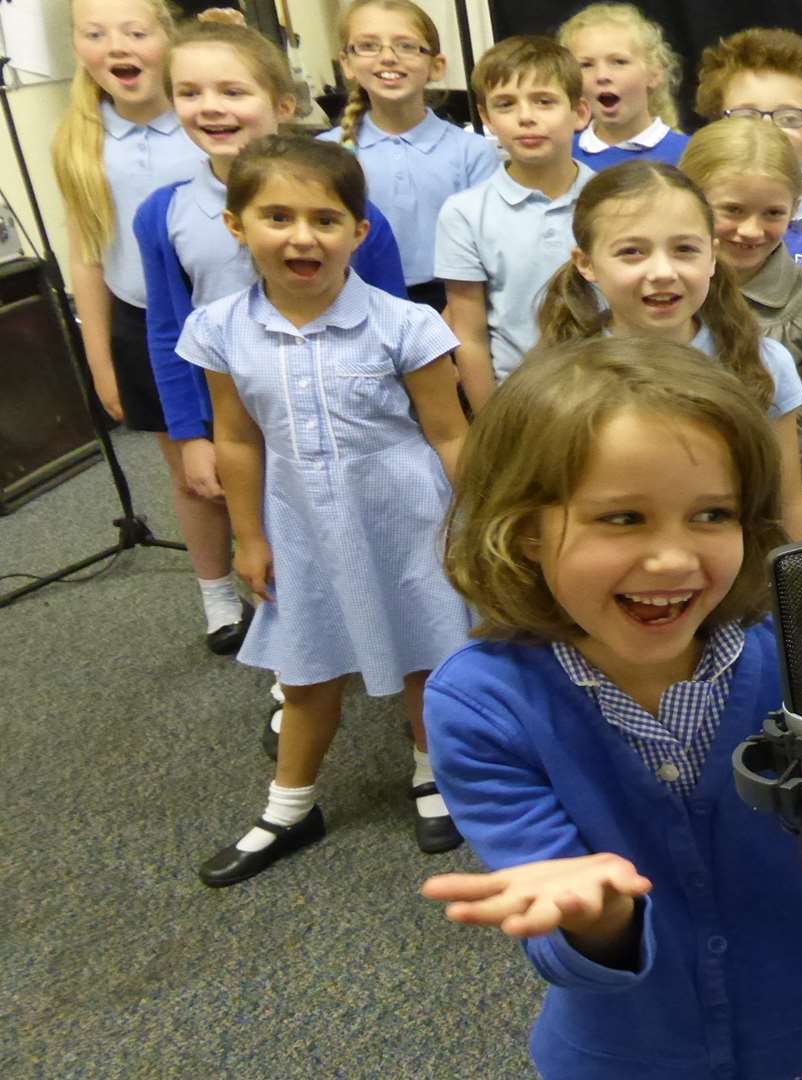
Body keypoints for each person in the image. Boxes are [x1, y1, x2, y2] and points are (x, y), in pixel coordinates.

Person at [420, 337, 802, 1080]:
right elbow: (552, 915)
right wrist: (599, 919)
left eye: (712, 515)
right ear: (524, 531)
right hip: (626, 1057)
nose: (675, 559)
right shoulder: (483, 703)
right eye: (623, 519)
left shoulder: (801, 657)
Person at [185, 137, 470, 886]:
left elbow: (449, 433)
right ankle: (290, 805)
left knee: (426, 653)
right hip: (301, 521)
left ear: (359, 232)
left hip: (409, 518)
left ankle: (430, 773)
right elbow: (238, 439)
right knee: (304, 665)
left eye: (325, 218)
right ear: (237, 226)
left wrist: (474, 527)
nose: (302, 236)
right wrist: (248, 535)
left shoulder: (406, 324)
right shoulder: (219, 329)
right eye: (277, 216)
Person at [132, 18, 406, 648]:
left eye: (232, 91)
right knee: (270, 529)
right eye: (191, 92)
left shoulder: (351, 207)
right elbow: (168, 331)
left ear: (282, 104)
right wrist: (189, 434)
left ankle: (382, 624)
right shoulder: (164, 213)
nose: (211, 107)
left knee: (348, 516)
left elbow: (394, 318)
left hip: (341, 399)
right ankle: (299, 652)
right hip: (238, 409)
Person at [54, 0, 234, 651]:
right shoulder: (83, 138)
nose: (115, 46)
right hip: (148, 327)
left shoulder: (206, 117)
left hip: (232, 312)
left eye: (135, 31)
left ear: (168, 37)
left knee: (264, 461)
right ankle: (218, 594)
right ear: (76, 47)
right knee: (192, 472)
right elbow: (87, 255)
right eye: (95, 34)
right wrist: (99, 358)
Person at [535, 161, 802, 540]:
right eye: (632, 251)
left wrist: (794, 594)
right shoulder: (557, 375)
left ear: (712, 256)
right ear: (586, 263)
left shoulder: (763, 364)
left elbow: (787, 501)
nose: (663, 271)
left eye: (685, 249)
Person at [681, 117, 802, 534]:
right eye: (732, 211)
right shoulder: (661, 297)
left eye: (773, 213)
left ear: (796, 207)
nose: (750, 230)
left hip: (788, 506)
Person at [435, 36, 592, 411]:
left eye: (544, 101)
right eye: (505, 104)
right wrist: (492, 423)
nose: (526, 116)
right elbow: (468, 336)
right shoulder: (464, 213)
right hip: (517, 405)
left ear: (580, 112)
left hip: (610, 398)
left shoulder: (615, 201)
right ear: (487, 118)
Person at [321, 0, 497, 311]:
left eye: (406, 46)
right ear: (346, 63)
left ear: (437, 65)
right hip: (351, 299)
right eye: (368, 46)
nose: (388, 58)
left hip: (452, 303)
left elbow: (485, 249)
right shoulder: (324, 152)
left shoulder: (473, 152)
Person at [693, 27, 802, 316]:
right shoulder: (684, 220)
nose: (766, 130)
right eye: (745, 115)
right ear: (714, 126)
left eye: (789, 118)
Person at [560, 3, 689, 169]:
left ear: (655, 73)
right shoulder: (559, 156)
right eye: (586, 65)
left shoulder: (691, 153)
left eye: (619, 62)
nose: (602, 76)